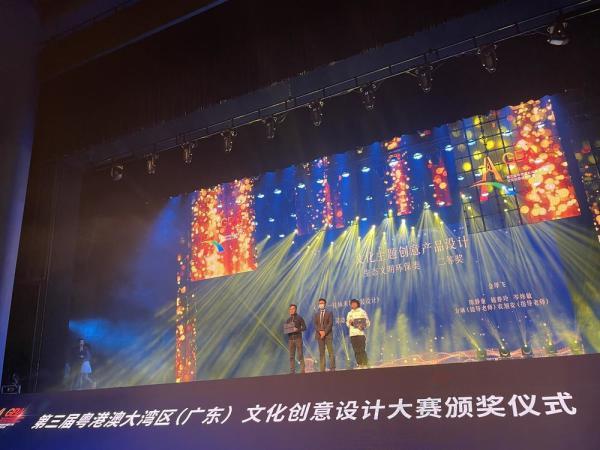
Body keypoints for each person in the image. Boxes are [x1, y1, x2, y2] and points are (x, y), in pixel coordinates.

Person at [346, 299, 370, 368]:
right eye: (352, 304)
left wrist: (361, 326)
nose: (353, 305)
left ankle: (365, 364)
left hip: (360, 334)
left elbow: (367, 323)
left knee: (362, 349)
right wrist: (349, 323)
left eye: (354, 303)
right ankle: (359, 364)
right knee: (356, 350)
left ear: (357, 304)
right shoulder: (349, 313)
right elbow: (347, 324)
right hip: (352, 334)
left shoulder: (362, 312)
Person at [313, 298, 335, 372]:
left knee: (330, 352)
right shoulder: (316, 314)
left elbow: (330, 323)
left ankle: (332, 368)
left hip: (328, 335)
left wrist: (324, 332)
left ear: (325, 304)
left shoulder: (329, 313)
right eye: (320, 303)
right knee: (321, 353)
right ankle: (322, 369)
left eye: (322, 303)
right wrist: (320, 332)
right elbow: (315, 324)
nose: (321, 304)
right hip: (319, 336)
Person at [285, 304, 306, 374]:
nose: (291, 310)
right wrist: (288, 330)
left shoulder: (299, 318)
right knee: (291, 356)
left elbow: (304, 327)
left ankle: (303, 370)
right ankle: (292, 370)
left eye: (293, 309)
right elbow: (286, 330)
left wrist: (297, 329)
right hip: (291, 340)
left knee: (300, 355)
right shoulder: (288, 320)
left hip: (298, 339)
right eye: (290, 309)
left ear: (295, 309)